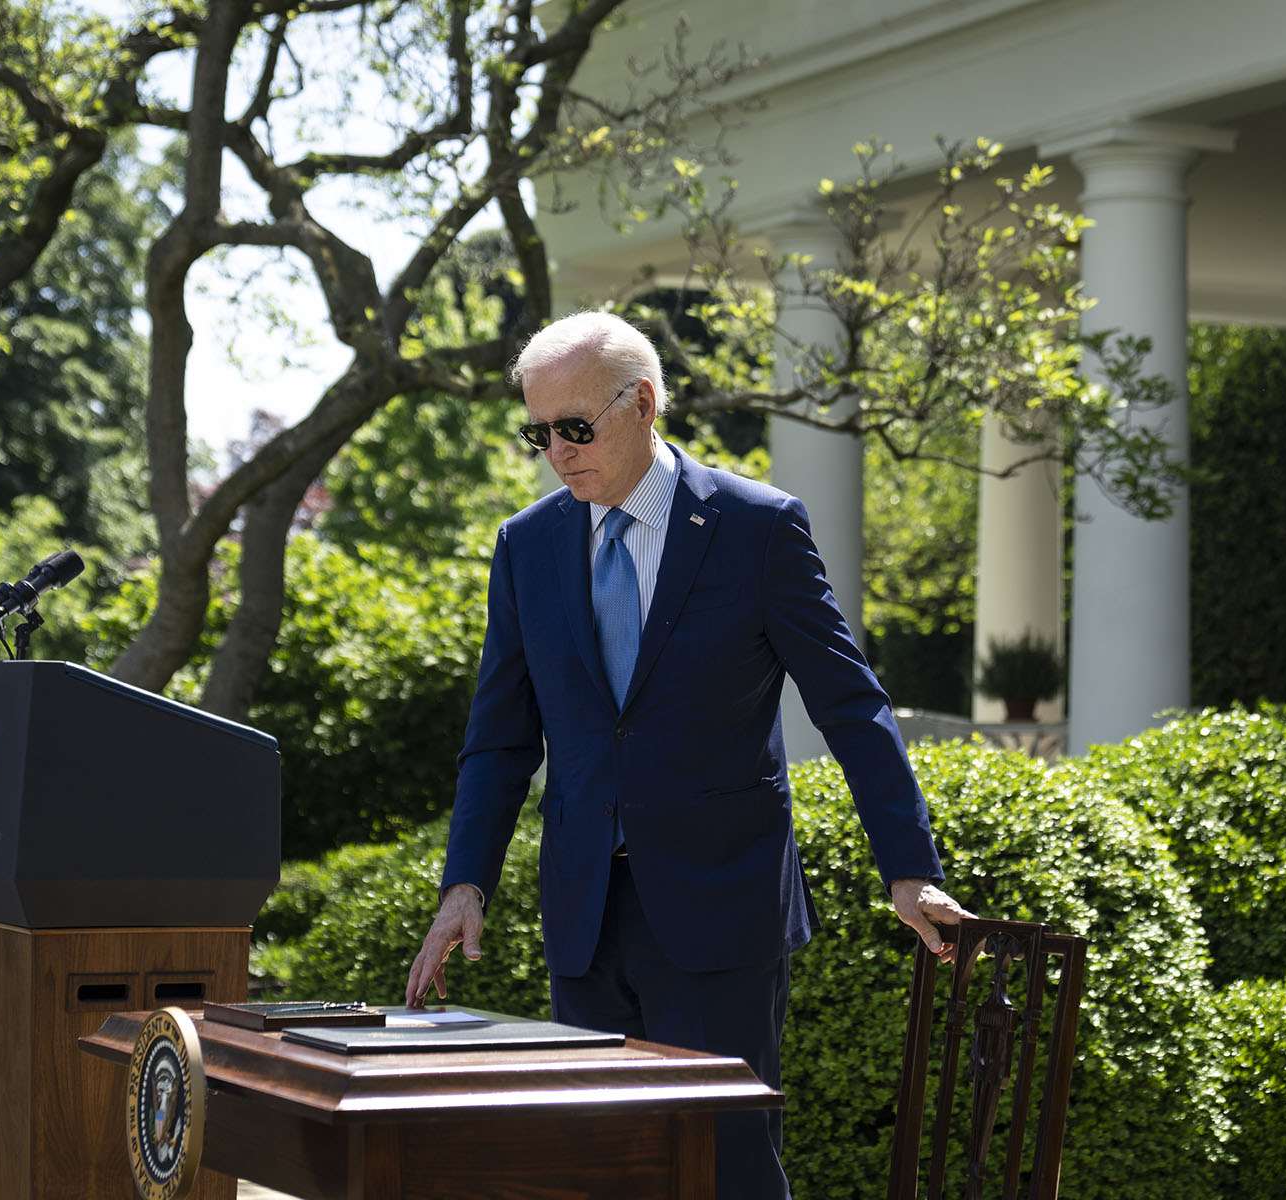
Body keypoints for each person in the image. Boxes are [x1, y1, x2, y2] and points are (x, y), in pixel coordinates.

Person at [404, 311, 972, 1200]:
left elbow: (850, 705)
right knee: (604, 1171)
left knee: (727, 1169)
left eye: (576, 427)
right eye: (538, 432)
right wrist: (463, 885)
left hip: (722, 910)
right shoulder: (527, 544)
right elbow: (501, 736)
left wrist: (909, 869)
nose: (557, 450)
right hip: (585, 918)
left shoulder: (757, 528)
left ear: (644, 402)